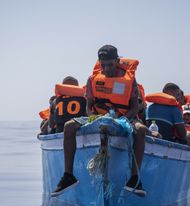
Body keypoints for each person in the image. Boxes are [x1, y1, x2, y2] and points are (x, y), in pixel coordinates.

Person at [51, 45, 158, 197]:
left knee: (140, 130)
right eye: (103, 65)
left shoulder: (130, 81)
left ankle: (135, 179)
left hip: (124, 117)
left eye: (110, 64)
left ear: (117, 61)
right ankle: (68, 176)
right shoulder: (92, 80)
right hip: (98, 117)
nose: (107, 69)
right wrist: (93, 119)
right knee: (69, 126)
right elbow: (89, 107)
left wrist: (122, 120)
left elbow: (135, 108)